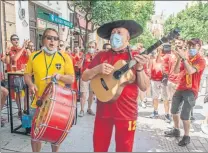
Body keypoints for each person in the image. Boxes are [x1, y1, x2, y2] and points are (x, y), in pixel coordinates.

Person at [82, 20, 150, 152]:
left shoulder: (136, 57)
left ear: (128, 37)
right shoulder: (101, 55)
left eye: (119, 32)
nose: (115, 35)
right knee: (99, 148)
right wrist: (97, 69)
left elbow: (144, 87)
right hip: (103, 111)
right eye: (113, 32)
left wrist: (140, 68)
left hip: (127, 113)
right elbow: (85, 76)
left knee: (125, 148)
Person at [24, 28, 75, 152]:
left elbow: (71, 79)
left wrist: (60, 76)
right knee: (35, 135)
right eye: (49, 38)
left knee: (55, 134)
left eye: (55, 39)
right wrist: (31, 84)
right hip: (38, 101)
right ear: (43, 40)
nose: (52, 41)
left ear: (58, 42)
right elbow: (27, 74)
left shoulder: (65, 57)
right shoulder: (34, 56)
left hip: (57, 104)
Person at [164, 38, 206, 146]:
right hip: (180, 87)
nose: (191, 48)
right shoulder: (185, 57)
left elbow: (191, 71)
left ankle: (187, 136)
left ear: (199, 47)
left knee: (185, 115)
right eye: (190, 46)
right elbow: (176, 71)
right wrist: (179, 59)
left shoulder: (201, 60)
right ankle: (176, 130)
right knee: (173, 111)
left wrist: (184, 58)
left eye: (194, 46)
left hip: (191, 90)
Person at [7, 34, 31, 118]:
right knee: (19, 93)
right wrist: (23, 48)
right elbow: (15, 59)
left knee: (27, 92)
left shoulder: (23, 49)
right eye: (14, 39)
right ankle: (19, 110)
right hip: (16, 75)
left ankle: (25, 109)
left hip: (24, 74)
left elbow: (30, 57)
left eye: (17, 39)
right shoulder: (11, 51)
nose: (16, 40)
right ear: (11, 41)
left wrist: (27, 48)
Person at [78, 41, 97, 117]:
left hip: (94, 78)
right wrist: (82, 59)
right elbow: (79, 66)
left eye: (92, 47)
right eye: (89, 47)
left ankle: (89, 109)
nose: (91, 48)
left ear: (95, 48)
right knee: (84, 94)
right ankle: (82, 110)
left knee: (91, 95)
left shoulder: (97, 56)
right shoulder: (84, 55)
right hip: (85, 77)